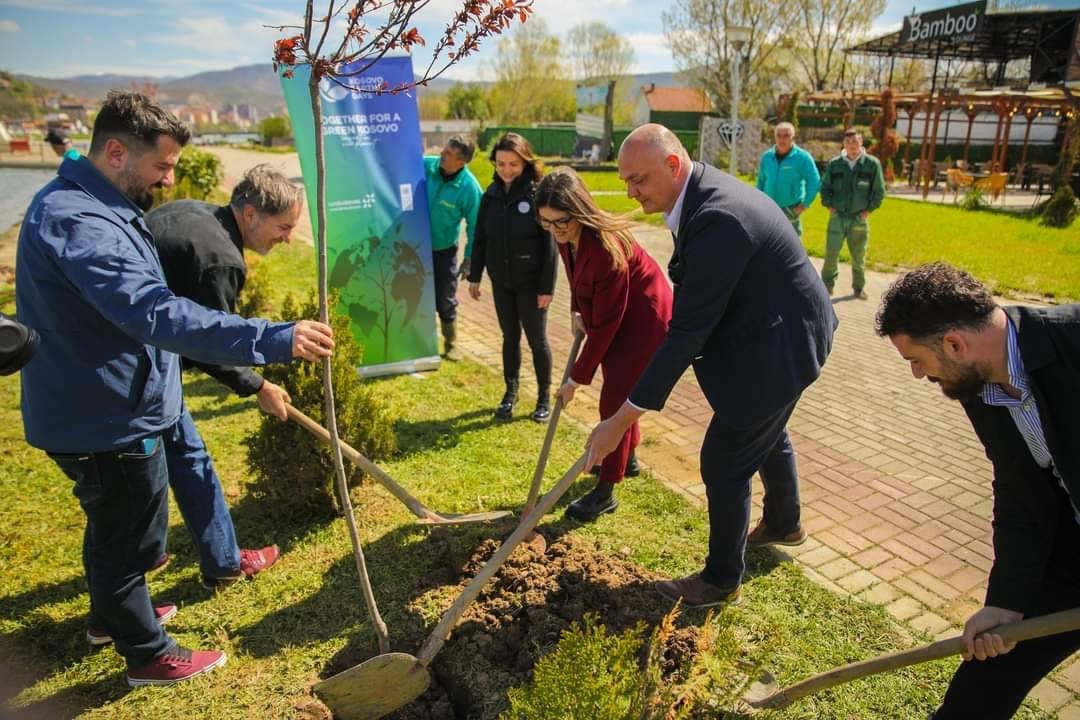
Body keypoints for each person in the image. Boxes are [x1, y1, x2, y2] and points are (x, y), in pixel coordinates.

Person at [15, 91, 334, 687]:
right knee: (126, 538)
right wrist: (270, 339)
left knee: (120, 525)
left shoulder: (98, 203)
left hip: (125, 396)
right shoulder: (79, 221)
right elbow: (155, 313)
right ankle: (148, 652)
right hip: (104, 409)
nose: (168, 180)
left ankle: (113, 616)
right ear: (115, 152)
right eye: (161, 167)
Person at [585, 124, 836, 608]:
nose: (631, 192)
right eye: (625, 181)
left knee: (723, 461)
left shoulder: (718, 217)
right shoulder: (699, 194)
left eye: (639, 180)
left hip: (783, 343)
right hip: (777, 330)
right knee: (765, 431)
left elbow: (687, 331)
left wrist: (620, 421)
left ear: (673, 165)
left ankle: (721, 579)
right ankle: (785, 523)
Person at [875, 263, 1080, 720]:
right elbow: (1022, 495)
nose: (916, 374)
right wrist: (1006, 603)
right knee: (984, 683)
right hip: (1069, 555)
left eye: (916, 360)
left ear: (954, 344)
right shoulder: (979, 382)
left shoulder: (1074, 341)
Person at [144, 164, 304, 592]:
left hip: (146, 362)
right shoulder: (220, 260)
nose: (288, 239)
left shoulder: (194, 212)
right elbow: (214, 342)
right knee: (160, 469)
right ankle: (138, 583)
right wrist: (259, 386)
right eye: (284, 227)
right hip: (143, 373)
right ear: (250, 214)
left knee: (184, 459)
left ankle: (218, 561)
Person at [534, 168, 672, 522]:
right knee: (619, 387)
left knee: (616, 401)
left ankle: (606, 491)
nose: (554, 231)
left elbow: (608, 325)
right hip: (616, 313)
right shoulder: (565, 235)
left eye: (560, 222)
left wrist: (577, 379)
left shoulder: (608, 251)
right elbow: (573, 274)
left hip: (645, 319)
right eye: (546, 223)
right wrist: (576, 308)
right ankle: (628, 457)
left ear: (578, 211)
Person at [467, 132, 557, 422]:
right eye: (501, 163)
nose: (506, 169)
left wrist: (547, 288)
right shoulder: (490, 197)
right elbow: (480, 238)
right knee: (509, 337)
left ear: (525, 163)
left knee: (537, 340)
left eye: (513, 164)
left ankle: (544, 398)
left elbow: (550, 246)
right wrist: (475, 274)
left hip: (531, 285)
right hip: (502, 282)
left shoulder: (536, 195)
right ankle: (511, 393)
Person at [423, 135, 483, 360]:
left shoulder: (470, 188)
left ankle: (451, 343)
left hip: (443, 250)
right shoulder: (428, 166)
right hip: (414, 244)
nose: (442, 155)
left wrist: (469, 259)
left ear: (461, 162)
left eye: (448, 154)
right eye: (444, 150)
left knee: (445, 299)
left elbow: (476, 226)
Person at [818, 128, 884, 299]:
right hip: (837, 217)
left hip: (858, 218)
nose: (852, 145)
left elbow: (879, 191)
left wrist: (868, 210)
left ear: (861, 142)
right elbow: (824, 188)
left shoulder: (872, 165)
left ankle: (858, 288)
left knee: (858, 256)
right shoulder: (835, 164)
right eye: (848, 142)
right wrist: (829, 206)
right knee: (831, 253)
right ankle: (826, 286)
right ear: (844, 144)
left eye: (855, 141)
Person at [755, 122, 820, 238]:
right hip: (768, 208)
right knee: (767, 241)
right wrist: (758, 202)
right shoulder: (767, 157)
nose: (782, 139)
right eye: (778, 136)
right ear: (775, 138)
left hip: (791, 210)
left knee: (792, 245)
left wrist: (805, 204)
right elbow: (761, 181)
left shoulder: (803, 158)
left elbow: (814, 181)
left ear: (793, 138)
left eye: (786, 135)